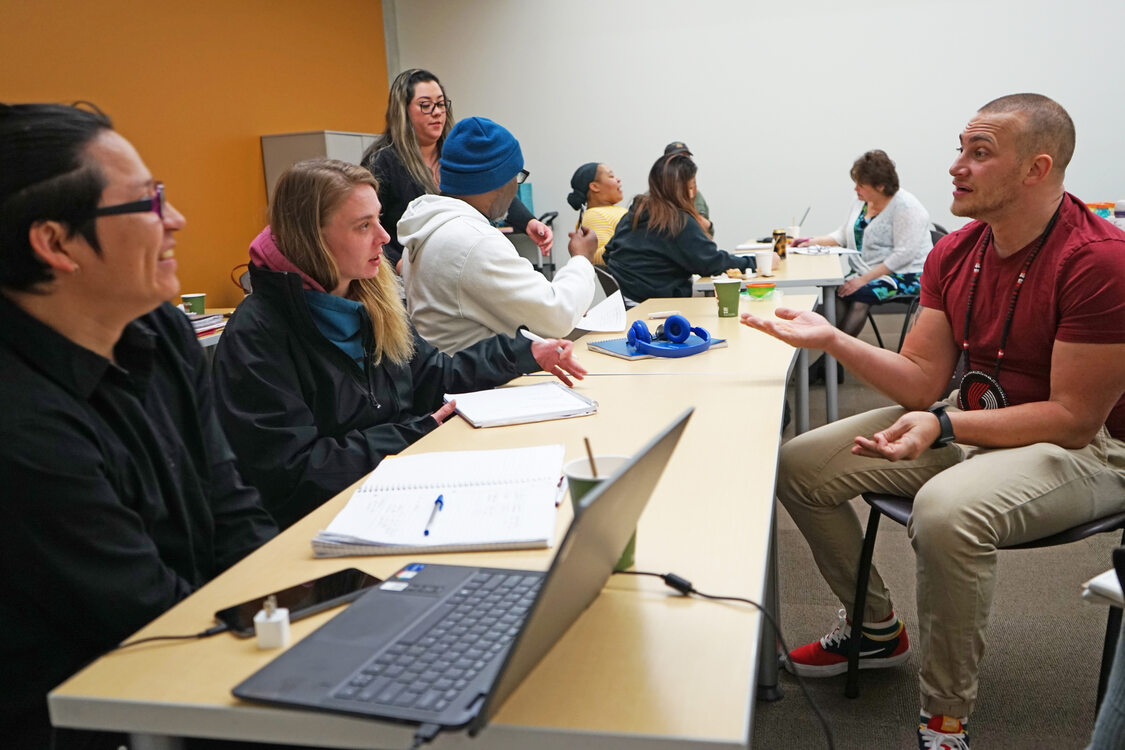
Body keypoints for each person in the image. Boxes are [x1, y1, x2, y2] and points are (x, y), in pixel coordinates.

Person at [742, 93, 1125, 748]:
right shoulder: (957, 254)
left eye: (978, 153)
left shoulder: (1098, 260)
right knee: (799, 466)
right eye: (960, 149)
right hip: (970, 416)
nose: (955, 166)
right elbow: (922, 381)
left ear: (1036, 169)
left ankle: (943, 720)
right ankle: (873, 628)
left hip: (1088, 450)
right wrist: (832, 341)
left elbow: (1069, 418)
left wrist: (945, 427)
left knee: (945, 513)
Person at [0, 103, 277, 749]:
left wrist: (289, 612)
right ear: (55, 243)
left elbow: (230, 509)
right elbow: (145, 616)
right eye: (148, 202)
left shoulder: (161, 331)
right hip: (98, 719)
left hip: (195, 662)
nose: (175, 220)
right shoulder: (21, 425)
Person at [212, 158, 585, 529]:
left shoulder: (371, 299)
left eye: (378, 218)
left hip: (396, 490)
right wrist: (412, 433)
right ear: (312, 237)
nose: (384, 237)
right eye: (363, 226)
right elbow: (293, 472)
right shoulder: (257, 336)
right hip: (322, 525)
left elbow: (430, 376)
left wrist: (523, 353)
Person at [399, 117, 597, 354]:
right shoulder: (473, 242)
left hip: (453, 378)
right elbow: (556, 315)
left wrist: (568, 298)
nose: (516, 186)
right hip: (480, 386)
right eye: (517, 177)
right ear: (499, 181)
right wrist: (581, 259)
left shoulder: (429, 228)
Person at [360, 68, 552, 270]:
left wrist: (529, 222)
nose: (437, 112)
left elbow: (494, 188)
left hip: (457, 263)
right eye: (425, 105)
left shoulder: (456, 153)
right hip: (410, 275)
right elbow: (368, 227)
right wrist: (400, 265)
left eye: (441, 104)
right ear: (403, 111)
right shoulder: (381, 162)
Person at [795, 149, 933, 339]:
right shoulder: (861, 201)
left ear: (881, 187)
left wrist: (863, 279)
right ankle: (830, 363)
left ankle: (834, 357)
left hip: (907, 273)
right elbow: (843, 234)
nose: (855, 189)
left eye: (861, 184)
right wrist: (809, 242)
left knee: (861, 296)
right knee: (836, 292)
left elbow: (903, 255)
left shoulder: (908, 208)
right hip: (868, 270)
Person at [602, 151, 751, 302]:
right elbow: (710, 262)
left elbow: (608, 253)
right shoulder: (678, 221)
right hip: (657, 306)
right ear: (685, 188)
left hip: (626, 303)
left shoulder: (634, 213)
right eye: (693, 185)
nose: (695, 191)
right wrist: (753, 263)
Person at [566, 161, 626, 264]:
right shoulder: (594, 215)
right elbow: (594, 257)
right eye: (611, 176)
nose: (618, 179)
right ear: (594, 186)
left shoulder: (616, 210)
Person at [664, 141, 713, 234]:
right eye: (678, 159)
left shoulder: (695, 194)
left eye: (686, 158)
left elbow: (705, 229)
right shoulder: (654, 196)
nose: (684, 163)